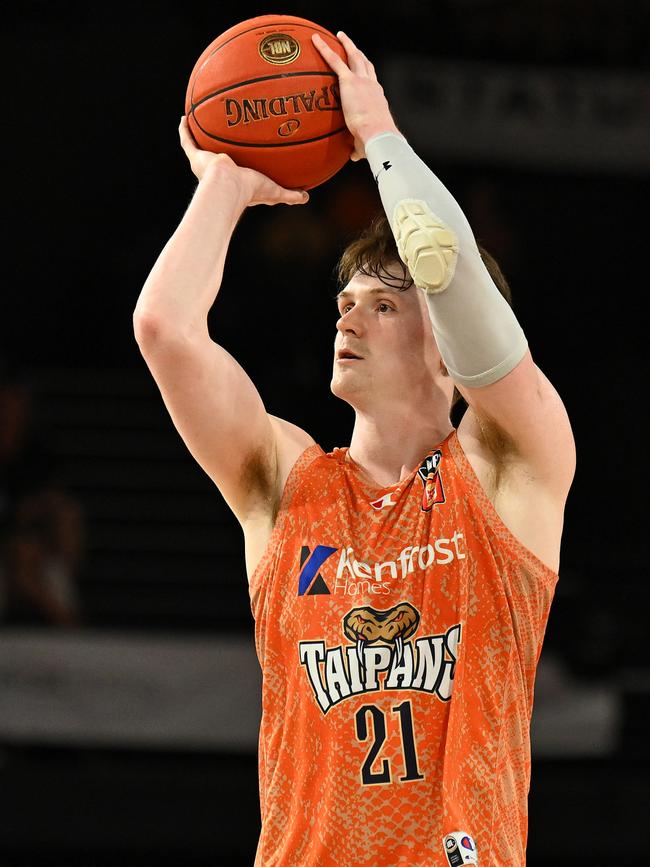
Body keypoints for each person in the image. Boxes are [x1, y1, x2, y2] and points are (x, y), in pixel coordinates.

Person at [134, 30, 575, 867]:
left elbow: (446, 270)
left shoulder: (513, 466)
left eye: (381, 303)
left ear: (443, 343)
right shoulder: (283, 480)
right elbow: (163, 328)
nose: (347, 315)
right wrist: (224, 185)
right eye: (345, 298)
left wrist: (378, 135)